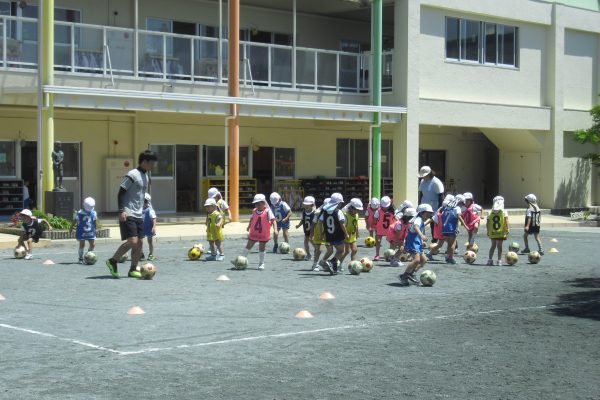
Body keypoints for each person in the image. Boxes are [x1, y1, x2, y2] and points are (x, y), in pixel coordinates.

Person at [105, 150, 157, 278]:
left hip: (139, 214)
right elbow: (121, 192)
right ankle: (112, 261)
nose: (153, 166)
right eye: (152, 163)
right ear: (144, 161)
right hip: (128, 212)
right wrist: (121, 210)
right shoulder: (132, 174)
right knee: (133, 241)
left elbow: (140, 196)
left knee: (139, 243)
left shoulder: (146, 177)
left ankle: (133, 269)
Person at [233, 194, 276, 270]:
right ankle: (241, 260)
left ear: (264, 203)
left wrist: (275, 230)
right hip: (254, 232)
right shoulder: (254, 211)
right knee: (248, 245)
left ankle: (261, 263)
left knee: (261, 247)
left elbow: (273, 220)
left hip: (263, 233)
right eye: (256, 204)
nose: (258, 206)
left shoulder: (268, 211)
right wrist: (249, 226)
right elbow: (252, 219)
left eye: (259, 204)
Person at [398, 204, 433, 286]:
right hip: (412, 243)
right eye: (427, 214)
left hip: (417, 243)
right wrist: (421, 235)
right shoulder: (418, 219)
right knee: (416, 260)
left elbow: (421, 226)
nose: (428, 215)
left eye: (429, 214)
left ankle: (412, 273)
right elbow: (416, 227)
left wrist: (421, 241)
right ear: (421, 213)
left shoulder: (421, 220)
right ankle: (405, 275)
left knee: (424, 260)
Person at [320, 193, 349, 275]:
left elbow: (322, 223)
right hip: (337, 234)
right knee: (342, 251)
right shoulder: (338, 211)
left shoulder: (325, 212)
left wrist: (322, 233)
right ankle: (331, 261)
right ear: (338, 203)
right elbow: (342, 224)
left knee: (337, 251)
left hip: (329, 235)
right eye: (341, 203)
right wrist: (346, 233)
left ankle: (334, 268)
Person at [418, 166, 444, 241]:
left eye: (424, 176)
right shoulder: (422, 181)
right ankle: (421, 240)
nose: (422, 177)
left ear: (429, 174)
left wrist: (440, 209)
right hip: (424, 206)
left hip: (434, 207)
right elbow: (421, 194)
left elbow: (441, 196)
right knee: (420, 222)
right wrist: (419, 204)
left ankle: (434, 240)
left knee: (434, 225)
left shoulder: (436, 182)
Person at [439, 194, 467, 264]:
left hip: (445, 228)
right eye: (462, 203)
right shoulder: (457, 207)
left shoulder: (447, 207)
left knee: (449, 243)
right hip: (452, 227)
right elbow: (459, 216)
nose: (462, 205)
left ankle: (448, 256)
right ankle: (450, 258)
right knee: (453, 243)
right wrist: (465, 226)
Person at [310, 198, 333, 272]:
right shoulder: (318, 213)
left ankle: (323, 261)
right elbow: (313, 224)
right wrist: (311, 234)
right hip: (318, 232)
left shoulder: (332, 212)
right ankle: (315, 264)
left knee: (330, 251)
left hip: (327, 233)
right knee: (319, 250)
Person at [486, 195, 509, 266]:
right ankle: (499, 260)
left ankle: (490, 260)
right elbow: (506, 221)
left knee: (493, 245)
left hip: (493, 232)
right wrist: (507, 229)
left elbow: (487, 223)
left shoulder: (490, 212)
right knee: (500, 246)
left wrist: (488, 231)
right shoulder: (504, 212)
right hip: (501, 231)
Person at [390, 200, 414, 267]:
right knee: (401, 248)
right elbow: (397, 234)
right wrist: (399, 241)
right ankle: (394, 260)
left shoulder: (406, 223)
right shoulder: (400, 224)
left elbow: (406, 231)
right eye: (412, 218)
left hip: (400, 236)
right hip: (395, 237)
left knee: (402, 248)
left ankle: (394, 258)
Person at [341, 198, 363, 266]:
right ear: (351, 208)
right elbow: (343, 225)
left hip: (353, 235)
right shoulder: (345, 215)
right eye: (357, 210)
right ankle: (338, 263)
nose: (358, 211)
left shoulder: (356, 215)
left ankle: (353, 264)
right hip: (346, 236)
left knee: (354, 250)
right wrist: (346, 233)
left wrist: (357, 232)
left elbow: (355, 224)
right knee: (346, 251)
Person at [75, 197, 97, 264]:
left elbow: (95, 221)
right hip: (82, 231)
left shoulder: (93, 213)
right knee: (82, 244)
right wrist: (71, 228)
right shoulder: (79, 213)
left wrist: (96, 229)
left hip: (91, 231)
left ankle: (88, 255)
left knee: (93, 244)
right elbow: (75, 220)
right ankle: (80, 258)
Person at [373, 195, 395, 261]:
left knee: (392, 242)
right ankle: (377, 254)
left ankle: (391, 254)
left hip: (390, 229)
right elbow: (374, 219)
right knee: (378, 241)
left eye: (386, 206)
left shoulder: (392, 211)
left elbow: (395, 218)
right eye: (384, 207)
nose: (385, 208)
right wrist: (373, 226)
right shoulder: (378, 211)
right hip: (380, 228)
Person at [295, 195, 316, 262]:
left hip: (313, 231)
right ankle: (308, 254)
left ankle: (317, 251)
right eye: (305, 204)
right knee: (306, 242)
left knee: (313, 241)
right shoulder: (304, 212)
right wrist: (299, 225)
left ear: (312, 205)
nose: (306, 206)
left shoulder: (315, 213)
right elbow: (302, 220)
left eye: (308, 205)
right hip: (306, 230)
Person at [140, 193, 157, 261]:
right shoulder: (140, 209)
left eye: (144, 201)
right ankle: (141, 254)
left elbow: (154, 218)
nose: (143, 202)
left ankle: (151, 254)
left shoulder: (150, 210)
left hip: (149, 227)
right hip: (141, 227)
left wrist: (154, 227)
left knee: (150, 241)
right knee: (140, 241)